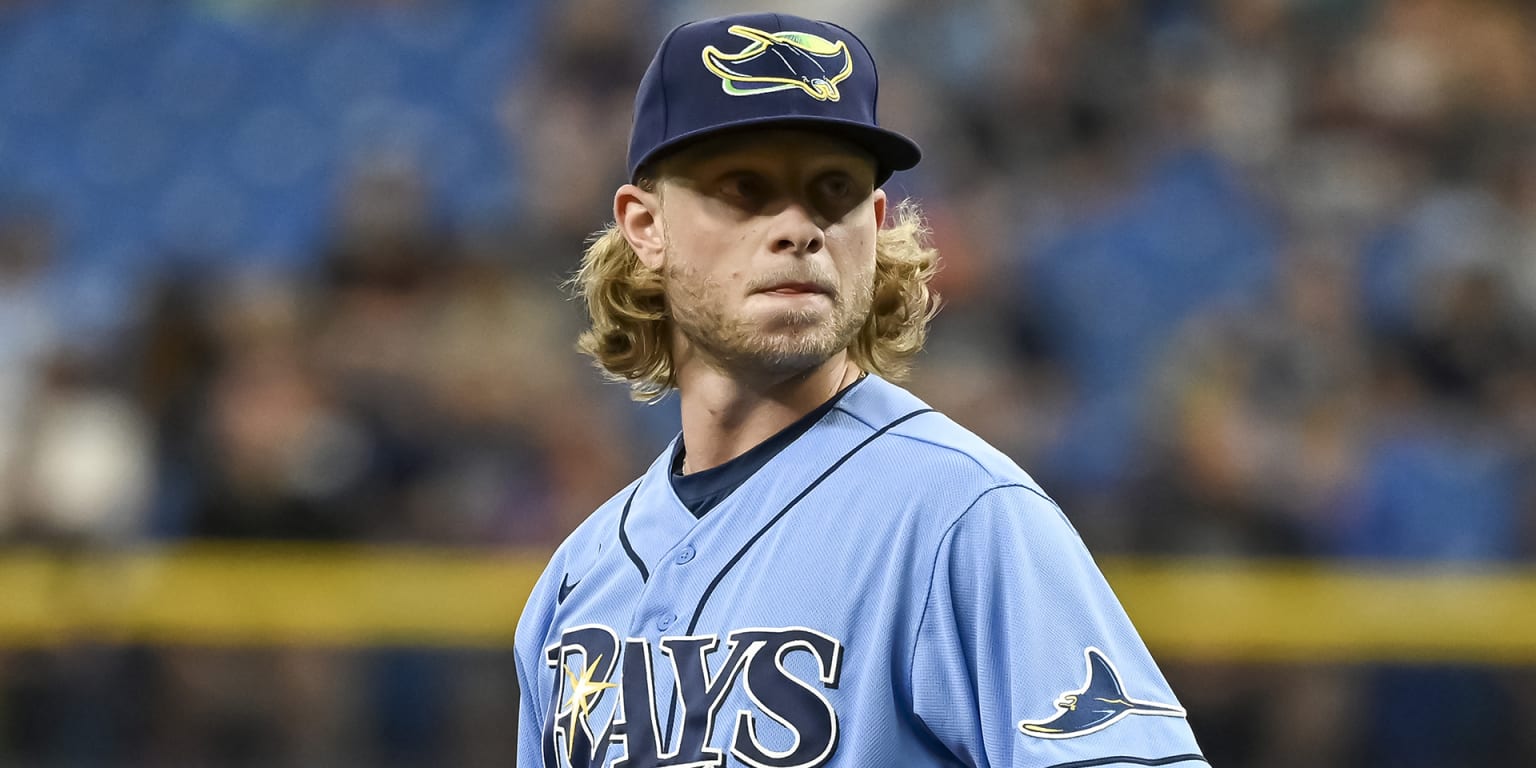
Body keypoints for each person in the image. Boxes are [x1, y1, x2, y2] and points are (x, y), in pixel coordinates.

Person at [515, 12, 1206, 768]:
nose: (799, 227)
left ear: (875, 225)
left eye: (834, 192)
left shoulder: (961, 517)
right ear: (645, 226)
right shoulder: (577, 583)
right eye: (745, 189)